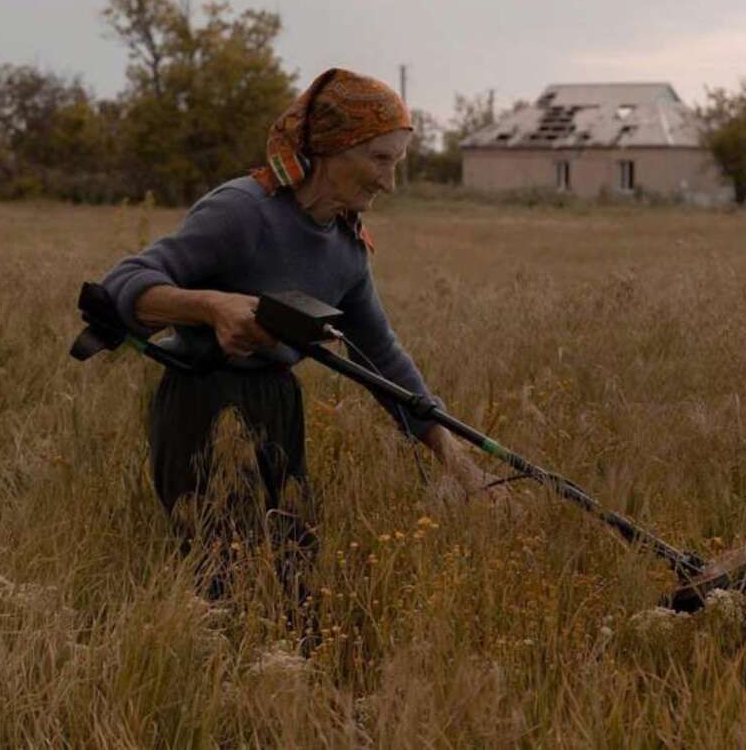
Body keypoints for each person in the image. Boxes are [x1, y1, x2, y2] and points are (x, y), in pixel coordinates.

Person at [100, 68, 503, 602]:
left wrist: (458, 461)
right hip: (201, 403)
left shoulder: (347, 246)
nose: (389, 182)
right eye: (379, 160)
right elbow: (121, 286)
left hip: (278, 406)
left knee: (291, 574)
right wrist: (210, 306)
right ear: (333, 150)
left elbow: (382, 358)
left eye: (397, 163)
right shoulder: (242, 211)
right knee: (220, 578)